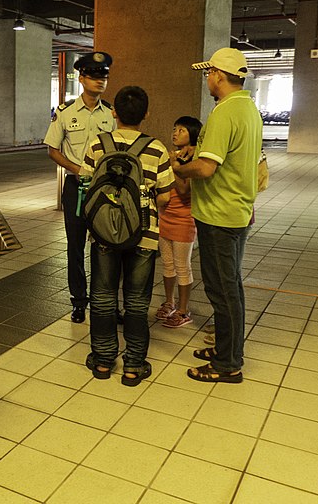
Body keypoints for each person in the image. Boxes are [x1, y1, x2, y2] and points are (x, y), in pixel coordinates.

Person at [171, 47, 262, 384]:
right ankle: (226, 350)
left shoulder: (225, 112)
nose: (207, 79)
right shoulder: (247, 108)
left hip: (220, 215)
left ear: (219, 76)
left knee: (224, 292)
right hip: (235, 211)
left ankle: (228, 364)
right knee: (229, 287)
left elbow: (207, 168)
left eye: (208, 73)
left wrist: (178, 168)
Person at [80, 86, 174, 387]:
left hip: (103, 235)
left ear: (114, 112)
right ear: (146, 114)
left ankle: (104, 361)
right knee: (136, 300)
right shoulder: (157, 148)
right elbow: (166, 197)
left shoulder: (98, 144)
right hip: (144, 236)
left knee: (103, 297)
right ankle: (133, 364)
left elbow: (86, 184)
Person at [44, 52, 115, 323]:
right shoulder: (65, 112)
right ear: (82, 78)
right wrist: (77, 169)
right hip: (76, 188)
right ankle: (78, 301)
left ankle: (104, 300)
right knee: (75, 248)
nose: (101, 81)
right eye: (95, 76)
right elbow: (53, 150)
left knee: (105, 246)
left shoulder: (110, 113)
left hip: (104, 190)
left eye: (104, 76)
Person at [156, 116, 203, 329]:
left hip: (184, 219)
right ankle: (170, 302)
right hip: (165, 215)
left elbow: (184, 189)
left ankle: (184, 310)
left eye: (182, 130)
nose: (175, 133)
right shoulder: (171, 155)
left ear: (193, 134)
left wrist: (173, 165)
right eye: (175, 129)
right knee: (167, 263)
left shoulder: (195, 159)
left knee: (182, 266)